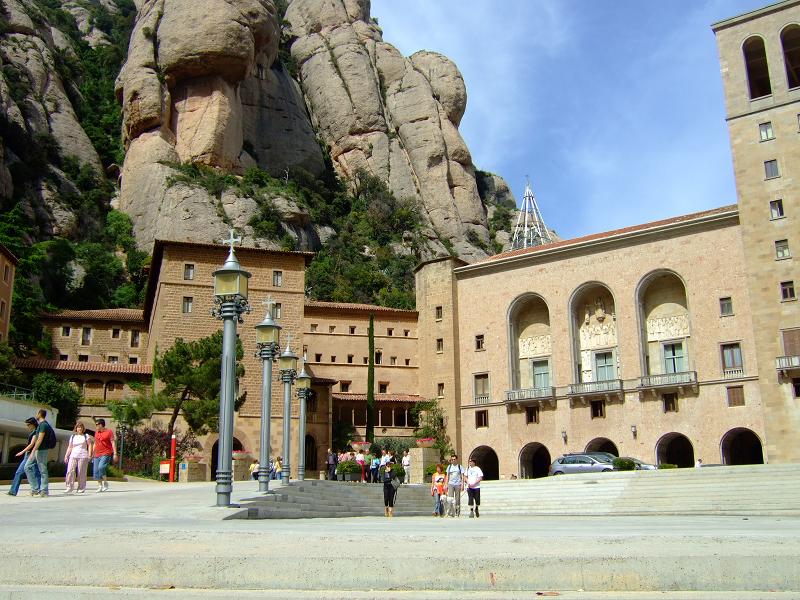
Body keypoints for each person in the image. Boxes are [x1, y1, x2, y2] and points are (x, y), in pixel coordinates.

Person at [24, 409, 56, 497]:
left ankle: (44, 491)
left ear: (39, 414)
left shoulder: (44, 425)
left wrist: (33, 450)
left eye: (37, 413)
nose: (36, 415)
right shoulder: (41, 425)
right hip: (38, 450)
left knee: (43, 470)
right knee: (27, 467)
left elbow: (40, 439)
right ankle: (35, 488)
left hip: (42, 450)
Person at [8, 418, 41, 496]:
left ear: (33, 424)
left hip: (30, 454)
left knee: (21, 472)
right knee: (34, 472)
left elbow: (32, 444)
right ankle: (38, 489)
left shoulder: (35, 432)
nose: (27, 426)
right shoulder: (34, 432)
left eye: (28, 425)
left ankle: (13, 491)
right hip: (30, 454)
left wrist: (22, 452)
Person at [64, 421, 93, 494]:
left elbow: (90, 445)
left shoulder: (86, 436)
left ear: (83, 428)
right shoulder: (73, 436)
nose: (79, 428)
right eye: (78, 427)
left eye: (81, 427)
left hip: (83, 455)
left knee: (81, 472)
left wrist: (90, 455)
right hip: (73, 455)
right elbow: (70, 447)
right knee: (70, 471)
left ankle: (81, 487)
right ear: (76, 428)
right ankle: (69, 487)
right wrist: (66, 456)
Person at [92, 418, 117, 493]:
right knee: (96, 470)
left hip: (106, 453)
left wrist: (115, 453)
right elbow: (95, 443)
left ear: (101, 425)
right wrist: (92, 453)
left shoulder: (109, 432)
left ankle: (105, 482)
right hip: (97, 453)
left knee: (101, 467)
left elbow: (113, 443)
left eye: (97, 424)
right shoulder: (96, 432)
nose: (96, 426)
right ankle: (100, 486)